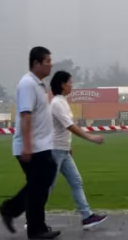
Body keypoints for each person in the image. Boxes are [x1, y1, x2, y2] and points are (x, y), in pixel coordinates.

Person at [25, 71, 108, 231]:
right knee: (47, 186)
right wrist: (91, 138)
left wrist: (68, 146)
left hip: (62, 150)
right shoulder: (57, 103)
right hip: (54, 150)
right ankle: (33, 220)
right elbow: (69, 125)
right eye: (70, 82)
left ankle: (87, 217)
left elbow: (59, 127)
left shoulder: (61, 101)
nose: (72, 85)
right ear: (63, 84)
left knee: (76, 182)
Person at [0, 47, 61, 239]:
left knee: (40, 185)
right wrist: (27, 146)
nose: (51, 64)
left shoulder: (39, 85)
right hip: (32, 146)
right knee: (38, 187)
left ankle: (13, 210)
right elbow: (25, 116)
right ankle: (35, 229)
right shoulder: (27, 85)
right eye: (47, 61)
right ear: (36, 63)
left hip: (42, 145)